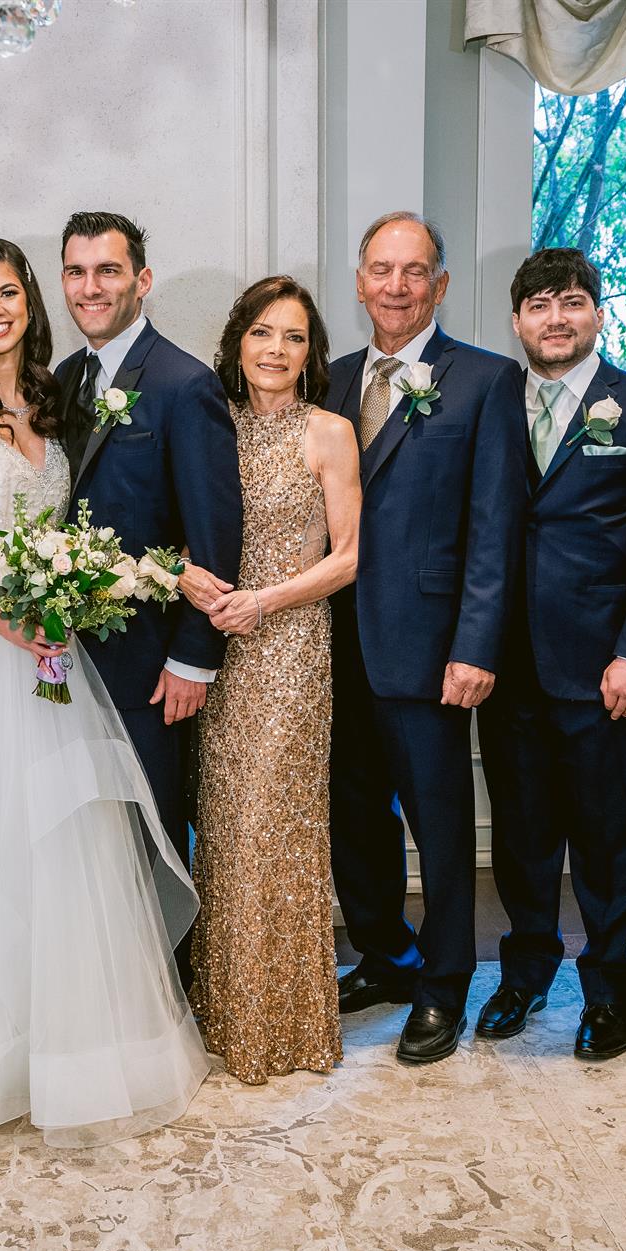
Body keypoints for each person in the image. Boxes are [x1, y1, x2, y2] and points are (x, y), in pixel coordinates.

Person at [0, 236, 207, 1149]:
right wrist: (7, 620)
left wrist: (73, 600)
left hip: (52, 643)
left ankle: (69, 1051)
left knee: (61, 835)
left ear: (30, 301)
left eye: (8, 292)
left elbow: (85, 520)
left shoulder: (59, 401)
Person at [477, 248, 626, 1060]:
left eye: (571, 302)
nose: (556, 318)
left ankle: (609, 985)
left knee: (609, 834)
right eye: (539, 305)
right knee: (521, 833)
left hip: (605, 665)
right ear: (517, 321)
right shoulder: (491, 401)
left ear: (598, 313)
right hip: (507, 663)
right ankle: (525, 971)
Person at [324, 211, 526, 1065]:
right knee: (352, 816)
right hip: (332, 646)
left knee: (440, 828)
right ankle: (386, 954)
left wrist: (476, 645)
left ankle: (444, 982)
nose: (397, 286)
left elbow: (495, 526)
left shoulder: (484, 380)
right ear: (359, 280)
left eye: (415, 271)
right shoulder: (330, 379)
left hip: (432, 645)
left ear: (440, 284)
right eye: (382, 269)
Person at [183, 275, 360, 1084]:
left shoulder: (329, 431)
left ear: (310, 351)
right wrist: (190, 578)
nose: (276, 349)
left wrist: (267, 600)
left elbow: (347, 557)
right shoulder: (211, 424)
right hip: (218, 648)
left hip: (289, 650)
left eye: (293, 336)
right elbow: (179, 523)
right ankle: (227, 1012)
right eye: (262, 332)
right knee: (223, 829)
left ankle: (285, 1024)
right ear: (238, 341)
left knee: (276, 830)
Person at [52, 211, 244, 895]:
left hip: (150, 665)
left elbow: (216, 534)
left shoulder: (182, 383)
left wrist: (193, 657)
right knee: (89, 846)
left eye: (107, 270)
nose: (90, 287)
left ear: (142, 280)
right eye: (76, 272)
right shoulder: (62, 379)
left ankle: (169, 970)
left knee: (155, 844)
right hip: (67, 659)